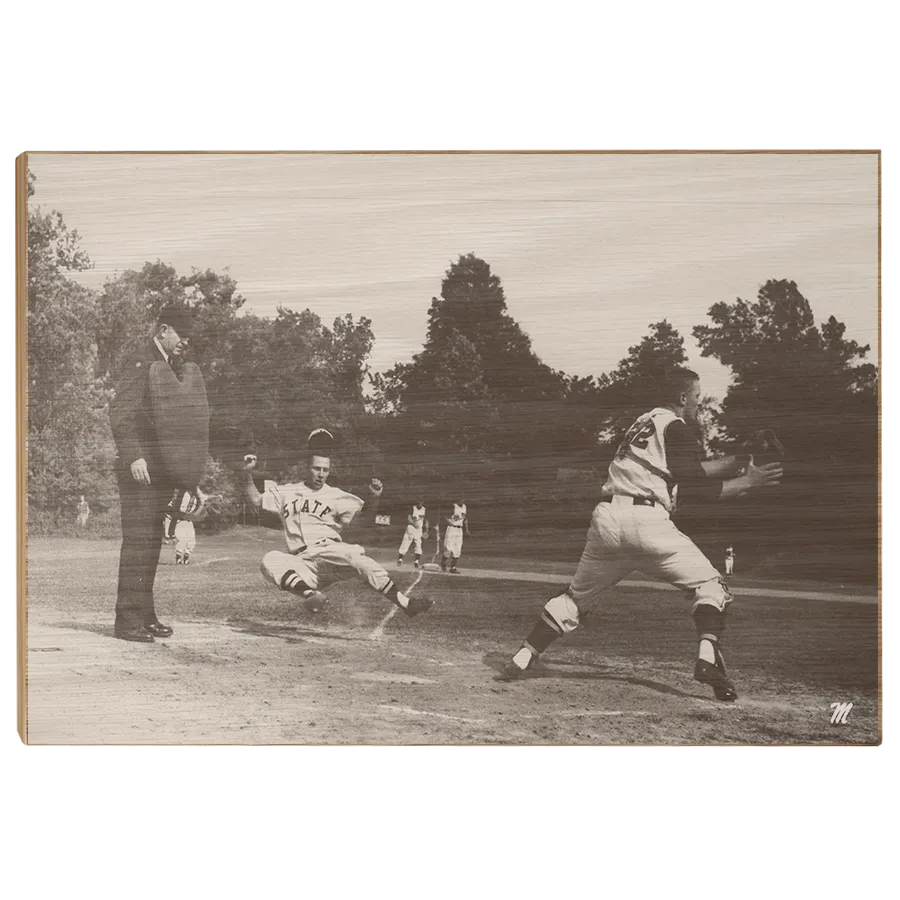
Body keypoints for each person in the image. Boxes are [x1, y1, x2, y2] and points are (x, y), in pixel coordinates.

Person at [496, 368, 783, 702]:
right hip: (647, 522)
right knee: (710, 585)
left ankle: (523, 656)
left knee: (575, 599)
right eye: (696, 397)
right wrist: (748, 482)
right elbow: (696, 486)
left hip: (608, 520)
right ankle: (707, 659)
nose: (697, 403)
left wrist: (739, 459)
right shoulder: (675, 425)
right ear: (681, 397)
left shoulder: (644, 423)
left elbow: (687, 470)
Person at [243, 429, 433, 618]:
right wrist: (247, 474)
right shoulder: (287, 492)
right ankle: (311, 595)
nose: (321, 474)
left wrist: (374, 499)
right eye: (316, 469)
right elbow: (257, 500)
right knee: (269, 560)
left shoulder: (336, 495)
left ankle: (405, 603)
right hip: (302, 562)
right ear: (306, 468)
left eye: (325, 470)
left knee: (358, 559)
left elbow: (363, 522)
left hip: (331, 553)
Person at [108, 304, 205, 643]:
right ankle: (127, 622)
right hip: (140, 471)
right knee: (138, 543)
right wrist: (134, 455)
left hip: (159, 474)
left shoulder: (166, 365)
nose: (185, 342)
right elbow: (121, 413)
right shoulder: (141, 360)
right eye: (182, 334)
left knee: (151, 544)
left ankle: (145, 616)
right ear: (163, 329)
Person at [397, 499, 429, 568]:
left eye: (421, 501)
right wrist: (414, 524)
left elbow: (426, 521)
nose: (420, 503)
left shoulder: (424, 509)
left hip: (419, 530)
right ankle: (400, 559)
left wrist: (426, 531)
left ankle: (416, 561)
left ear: (423, 502)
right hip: (411, 528)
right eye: (418, 501)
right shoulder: (412, 508)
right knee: (405, 543)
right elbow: (409, 519)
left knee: (418, 545)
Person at [441, 500, 470, 574]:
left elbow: (465, 519)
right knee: (448, 548)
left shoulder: (464, 507)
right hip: (452, 529)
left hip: (459, 530)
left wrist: (466, 529)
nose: (462, 500)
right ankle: (443, 563)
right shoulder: (453, 506)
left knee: (458, 549)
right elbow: (445, 517)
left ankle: (453, 567)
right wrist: (450, 523)